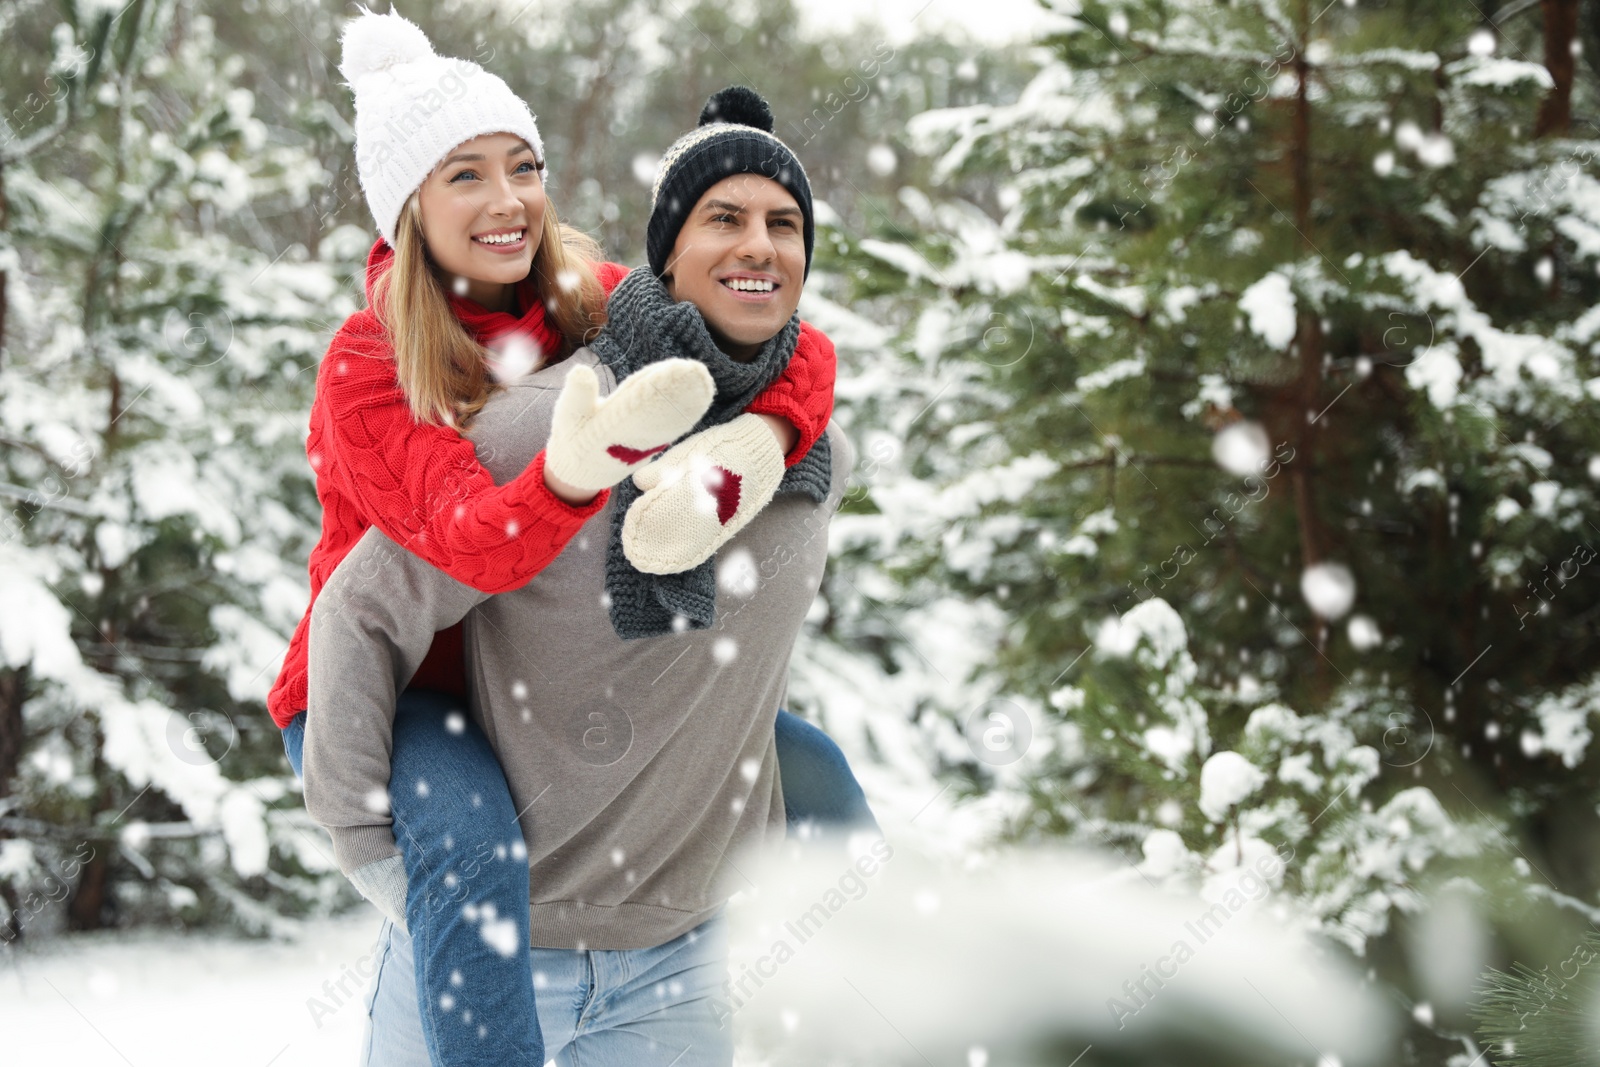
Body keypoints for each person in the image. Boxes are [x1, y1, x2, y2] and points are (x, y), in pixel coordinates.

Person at [272, 10, 873, 1067]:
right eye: (465, 175)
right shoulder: (369, 364)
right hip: (397, 683)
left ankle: (909, 996)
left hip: (511, 672)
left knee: (810, 768)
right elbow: (463, 544)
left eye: (524, 166)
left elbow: (784, 341)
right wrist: (569, 469)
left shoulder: (581, 302)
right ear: (406, 205)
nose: (508, 200)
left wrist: (766, 433)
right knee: (468, 847)